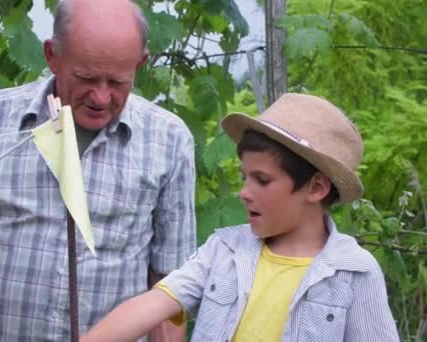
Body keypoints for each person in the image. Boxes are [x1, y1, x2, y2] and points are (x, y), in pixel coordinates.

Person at [0, 0, 196, 340]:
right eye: (85, 78)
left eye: (118, 82)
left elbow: (169, 288)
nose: (100, 96)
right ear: (52, 56)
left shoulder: (168, 141)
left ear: (140, 63)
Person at [81, 93, 399, 342]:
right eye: (244, 177)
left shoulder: (355, 273)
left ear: (315, 187)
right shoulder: (224, 250)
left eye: (262, 180)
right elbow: (152, 305)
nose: (244, 192)